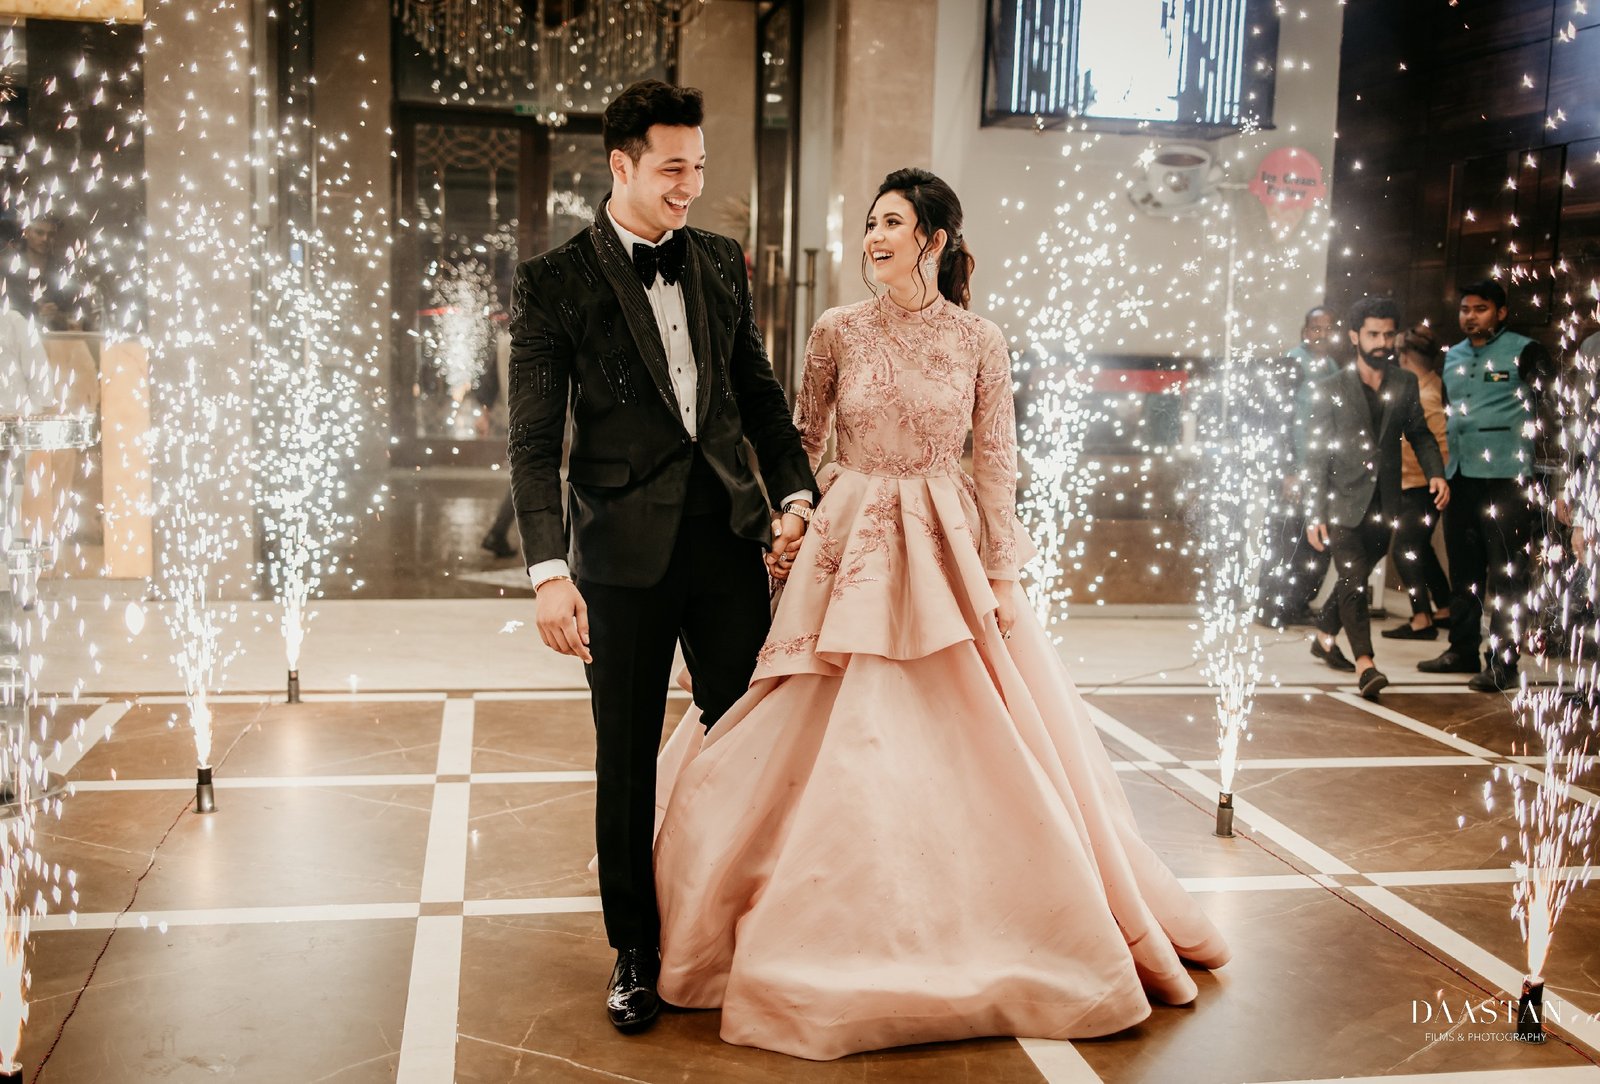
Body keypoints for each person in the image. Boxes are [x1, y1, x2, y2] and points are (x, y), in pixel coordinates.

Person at [646, 168, 1230, 1061]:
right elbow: (803, 437)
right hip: (844, 536)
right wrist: (790, 516)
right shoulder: (837, 329)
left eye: (891, 222)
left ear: (934, 239)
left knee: (980, 725)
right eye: (869, 222)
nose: (872, 236)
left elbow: (994, 460)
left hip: (945, 541)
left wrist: (999, 572)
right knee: (802, 705)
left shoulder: (979, 340)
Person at [507, 80, 817, 1033]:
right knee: (628, 761)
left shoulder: (722, 263)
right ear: (623, 165)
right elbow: (531, 443)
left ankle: (742, 923)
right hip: (617, 562)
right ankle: (635, 951)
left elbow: (757, 395)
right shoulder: (554, 281)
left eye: (699, 168)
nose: (690, 187)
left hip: (728, 545)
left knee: (752, 743)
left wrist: (797, 494)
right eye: (673, 169)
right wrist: (548, 572)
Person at [1304, 298, 1448, 700]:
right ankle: (1366, 665)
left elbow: (1419, 432)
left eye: (1388, 334)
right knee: (1352, 578)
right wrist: (1314, 511)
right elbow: (1316, 456)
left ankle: (1324, 636)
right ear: (1354, 336)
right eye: (1373, 334)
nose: (1382, 341)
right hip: (1343, 501)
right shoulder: (1330, 389)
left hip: (1387, 501)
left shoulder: (1404, 383)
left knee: (1360, 573)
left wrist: (1436, 472)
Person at [1418, 279, 1557, 691]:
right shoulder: (1454, 355)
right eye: (1465, 309)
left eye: (1480, 308)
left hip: (1507, 477)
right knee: (1464, 569)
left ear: (1500, 312)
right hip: (1460, 474)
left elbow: (1547, 410)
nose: (1470, 316)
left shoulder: (1525, 350)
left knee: (1508, 572)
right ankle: (1461, 649)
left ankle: (1503, 661)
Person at [1257, 306, 1337, 626]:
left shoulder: (1331, 366)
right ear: (1305, 331)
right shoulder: (1292, 363)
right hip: (1291, 468)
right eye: (1317, 328)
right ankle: (1272, 607)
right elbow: (1279, 420)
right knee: (1284, 539)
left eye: (1328, 328)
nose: (1322, 334)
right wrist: (1288, 469)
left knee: (1313, 544)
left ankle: (1297, 603)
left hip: (1320, 468)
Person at [1381, 323, 1453, 639]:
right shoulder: (1433, 384)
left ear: (1404, 355)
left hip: (1422, 485)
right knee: (1420, 548)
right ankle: (1445, 608)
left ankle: (1421, 619)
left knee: (1404, 551)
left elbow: (1433, 443)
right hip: (1419, 483)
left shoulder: (1424, 394)